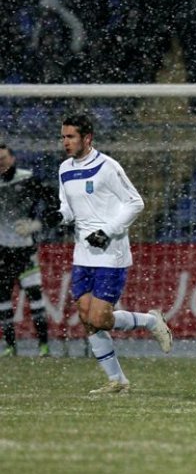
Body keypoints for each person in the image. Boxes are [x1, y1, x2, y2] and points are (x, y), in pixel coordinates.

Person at [57, 113, 173, 394]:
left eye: (71, 137)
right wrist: (58, 216)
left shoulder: (108, 167)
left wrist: (107, 231)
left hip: (110, 252)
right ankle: (117, 381)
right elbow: (69, 209)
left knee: (100, 318)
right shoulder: (64, 169)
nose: (65, 142)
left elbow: (135, 203)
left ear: (87, 138)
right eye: (63, 137)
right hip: (82, 252)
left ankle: (150, 320)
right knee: (86, 318)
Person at [0, 144, 60, 357]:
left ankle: (43, 347)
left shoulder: (29, 179)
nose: (1, 162)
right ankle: (10, 347)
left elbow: (55, 206)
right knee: (3, 298)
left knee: (35, 296)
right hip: (1, 252)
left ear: (13, 158)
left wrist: (37, 225)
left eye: (4, 158)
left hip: (25, 250)